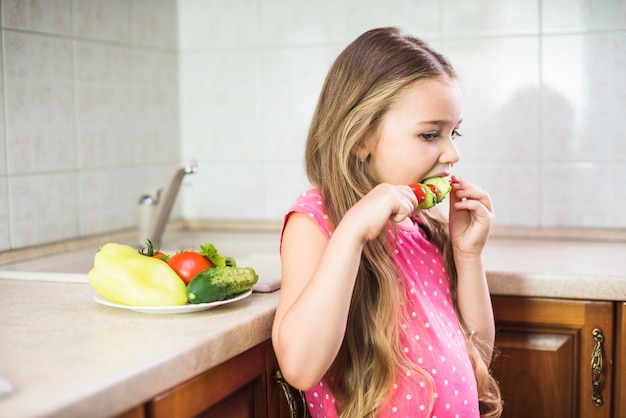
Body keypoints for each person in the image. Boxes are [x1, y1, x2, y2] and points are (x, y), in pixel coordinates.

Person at [272, 27, 503, 418]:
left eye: (454, 132)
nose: (452, 152)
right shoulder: (318, 223)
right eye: (430, 134)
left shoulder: (423, 230)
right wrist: (352, 233)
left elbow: (477, 355)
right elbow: (300, 368)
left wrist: (468, 256)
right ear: (361, 139)